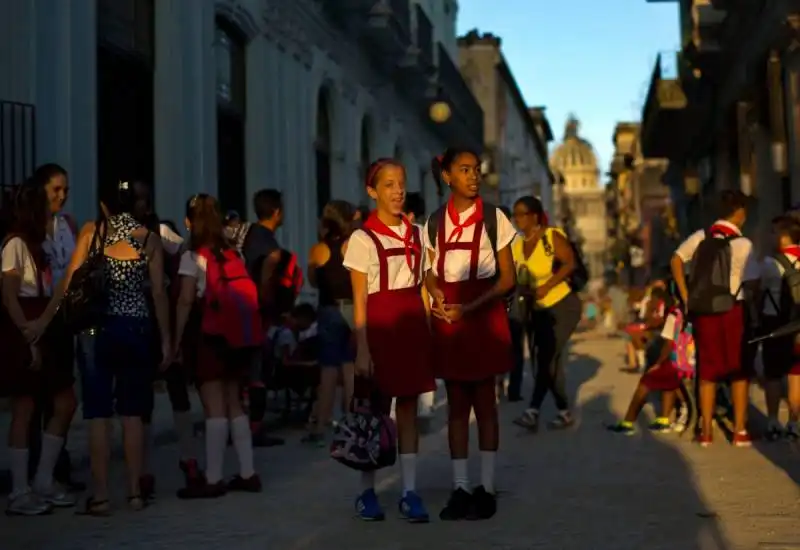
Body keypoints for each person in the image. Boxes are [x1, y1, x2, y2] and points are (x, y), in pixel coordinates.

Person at [63, 180, 172, 514]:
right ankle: (135, 493)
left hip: (97, 331)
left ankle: (101, 495)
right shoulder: (148, 239)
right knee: (133, 413)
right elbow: (157, 293)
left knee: (98, 414)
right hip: (135, 328)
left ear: (105, 205)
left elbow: (70, 282)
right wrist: (166, 340)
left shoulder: (92, 234)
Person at [424, 148, 516, 520]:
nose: (474, 176)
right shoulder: (434, 222)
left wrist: (471, 307)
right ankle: (461, 487)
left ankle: (487, 488)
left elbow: (508, 278)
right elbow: (430, 271)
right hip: (450, 320)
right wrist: (435, 292)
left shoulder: (495, 218)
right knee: (457, 407)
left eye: (476, 170)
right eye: (464, 170)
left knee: (486, 406)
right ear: (447, 177)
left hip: (483, 316)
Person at [344, 158, 436, 522]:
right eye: (389, 185)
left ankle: (409, 491)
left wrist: (433, 315)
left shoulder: (418, 233)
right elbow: (360, 299)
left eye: (401, 183)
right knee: (373, 413)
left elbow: (425, 281)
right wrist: (362, 348)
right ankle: (366, 492)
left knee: (409, 410)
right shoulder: (362, 239)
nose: (398, 191)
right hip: (379, 329)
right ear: (372, 191)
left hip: (411, 327)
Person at [173, 194, 262, 498]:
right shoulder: (233, 252)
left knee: (213, 408)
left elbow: (186, 300)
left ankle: (213, 479)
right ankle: (248, 472)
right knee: (234, 402)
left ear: (189, 221)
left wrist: (174, 339)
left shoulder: (192, 256)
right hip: (236, 338)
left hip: (208, 335)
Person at [1, 182, 77, 515]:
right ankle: (20, 490)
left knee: (64, 401)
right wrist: (27, 333)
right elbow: (8, 295)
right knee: (25, 405)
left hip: (44, 320)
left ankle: (43, 478)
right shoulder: (15, 244)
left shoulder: (40, 243)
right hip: (25, 320)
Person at [670, 189, 760, 447]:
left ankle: (706, 431)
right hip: (733, 310)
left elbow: (676, 259)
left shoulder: (700, 236)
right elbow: (752, 284)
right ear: (740, 212)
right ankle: (740, 430)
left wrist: (686, 296)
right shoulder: (743, 244)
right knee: (739, 371)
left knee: (707, 371)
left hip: (703, 311)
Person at [128, 181, 200, 499]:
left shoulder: (159, 230)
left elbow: (185, 254)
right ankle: (143, 470)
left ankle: (187, 458)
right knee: (141, 398)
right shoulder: (109, 231)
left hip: (159, 321)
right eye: (135, 200)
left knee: (175, 389)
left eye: (143, 199)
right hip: (133, 323)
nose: (140, 206)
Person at [510, 195, 581, 431]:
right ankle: (564, 411)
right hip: (538, 312)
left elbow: (570, 263)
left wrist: (548, 285)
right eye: (515, 215)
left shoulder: (552, 237)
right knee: (552, 362)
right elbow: (519, 279)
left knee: (546, 357)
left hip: (563, 306)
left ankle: (532, 411)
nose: (517, 219)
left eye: (521, 214)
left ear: (535, 216)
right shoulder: (518, 246)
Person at [305, 200, 357, 446]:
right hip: (351, 308)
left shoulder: (317, 250)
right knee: (349, 369)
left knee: (327, 370)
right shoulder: (353, 246)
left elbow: (313, 282)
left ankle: (320, 425)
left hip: (327, 310)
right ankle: (353, 424)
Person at [607, 292, 695, 435]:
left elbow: (669, 344)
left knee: (645, 383)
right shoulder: (690, 312)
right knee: (669, 385)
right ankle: (663, 421)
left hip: (675, 361)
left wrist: (658, 363)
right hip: (689, 361)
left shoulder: (673, 315)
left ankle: (628, 423)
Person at [759, 215, 800, 441]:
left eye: (775, 233)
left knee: (773, 374)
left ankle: (773, 421)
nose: (771, 237)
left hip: (774, 322)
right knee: (796, 374)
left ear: (784, 237)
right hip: (798, 326)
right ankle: (794, 423)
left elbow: (758, 290)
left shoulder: (770, 264)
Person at [404, 193, 438, 418]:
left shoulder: (416, 234)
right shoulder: (427, 234)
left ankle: (414, 403)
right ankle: (425, 405)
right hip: (424, 297)